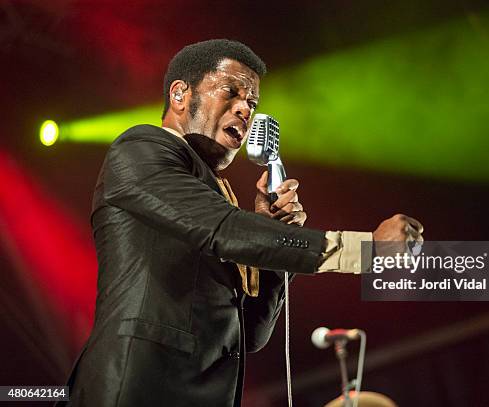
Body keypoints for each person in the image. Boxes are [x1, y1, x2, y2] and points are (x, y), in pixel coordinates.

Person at [61, 39, 423, 407]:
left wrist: (273, 231)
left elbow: (250, 334)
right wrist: (367, 249)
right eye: (231, 92)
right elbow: (223, 229)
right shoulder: (141, 148)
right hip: (137, 388)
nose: (244, 110)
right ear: (180, 94)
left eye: (252, 103)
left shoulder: (221, 198)